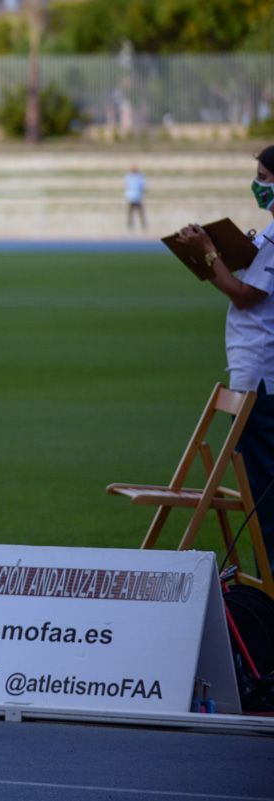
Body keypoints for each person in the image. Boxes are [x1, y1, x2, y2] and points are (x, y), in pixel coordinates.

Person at [175, 144, 274, 572]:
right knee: (259, 482)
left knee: (264, 485)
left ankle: (271, 578)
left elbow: (245, 295)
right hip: (255, 372)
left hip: (262, 375)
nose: (259, 185)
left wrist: (210, 253)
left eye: (265, 178)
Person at [125, 165, 147, 230]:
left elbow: (142, 185)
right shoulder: (133, 177)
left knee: (139, 212)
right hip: (133, 197)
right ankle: (131, 225)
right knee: (132, 212)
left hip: (136, 197)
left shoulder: (138, 177)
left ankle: (142, 225)